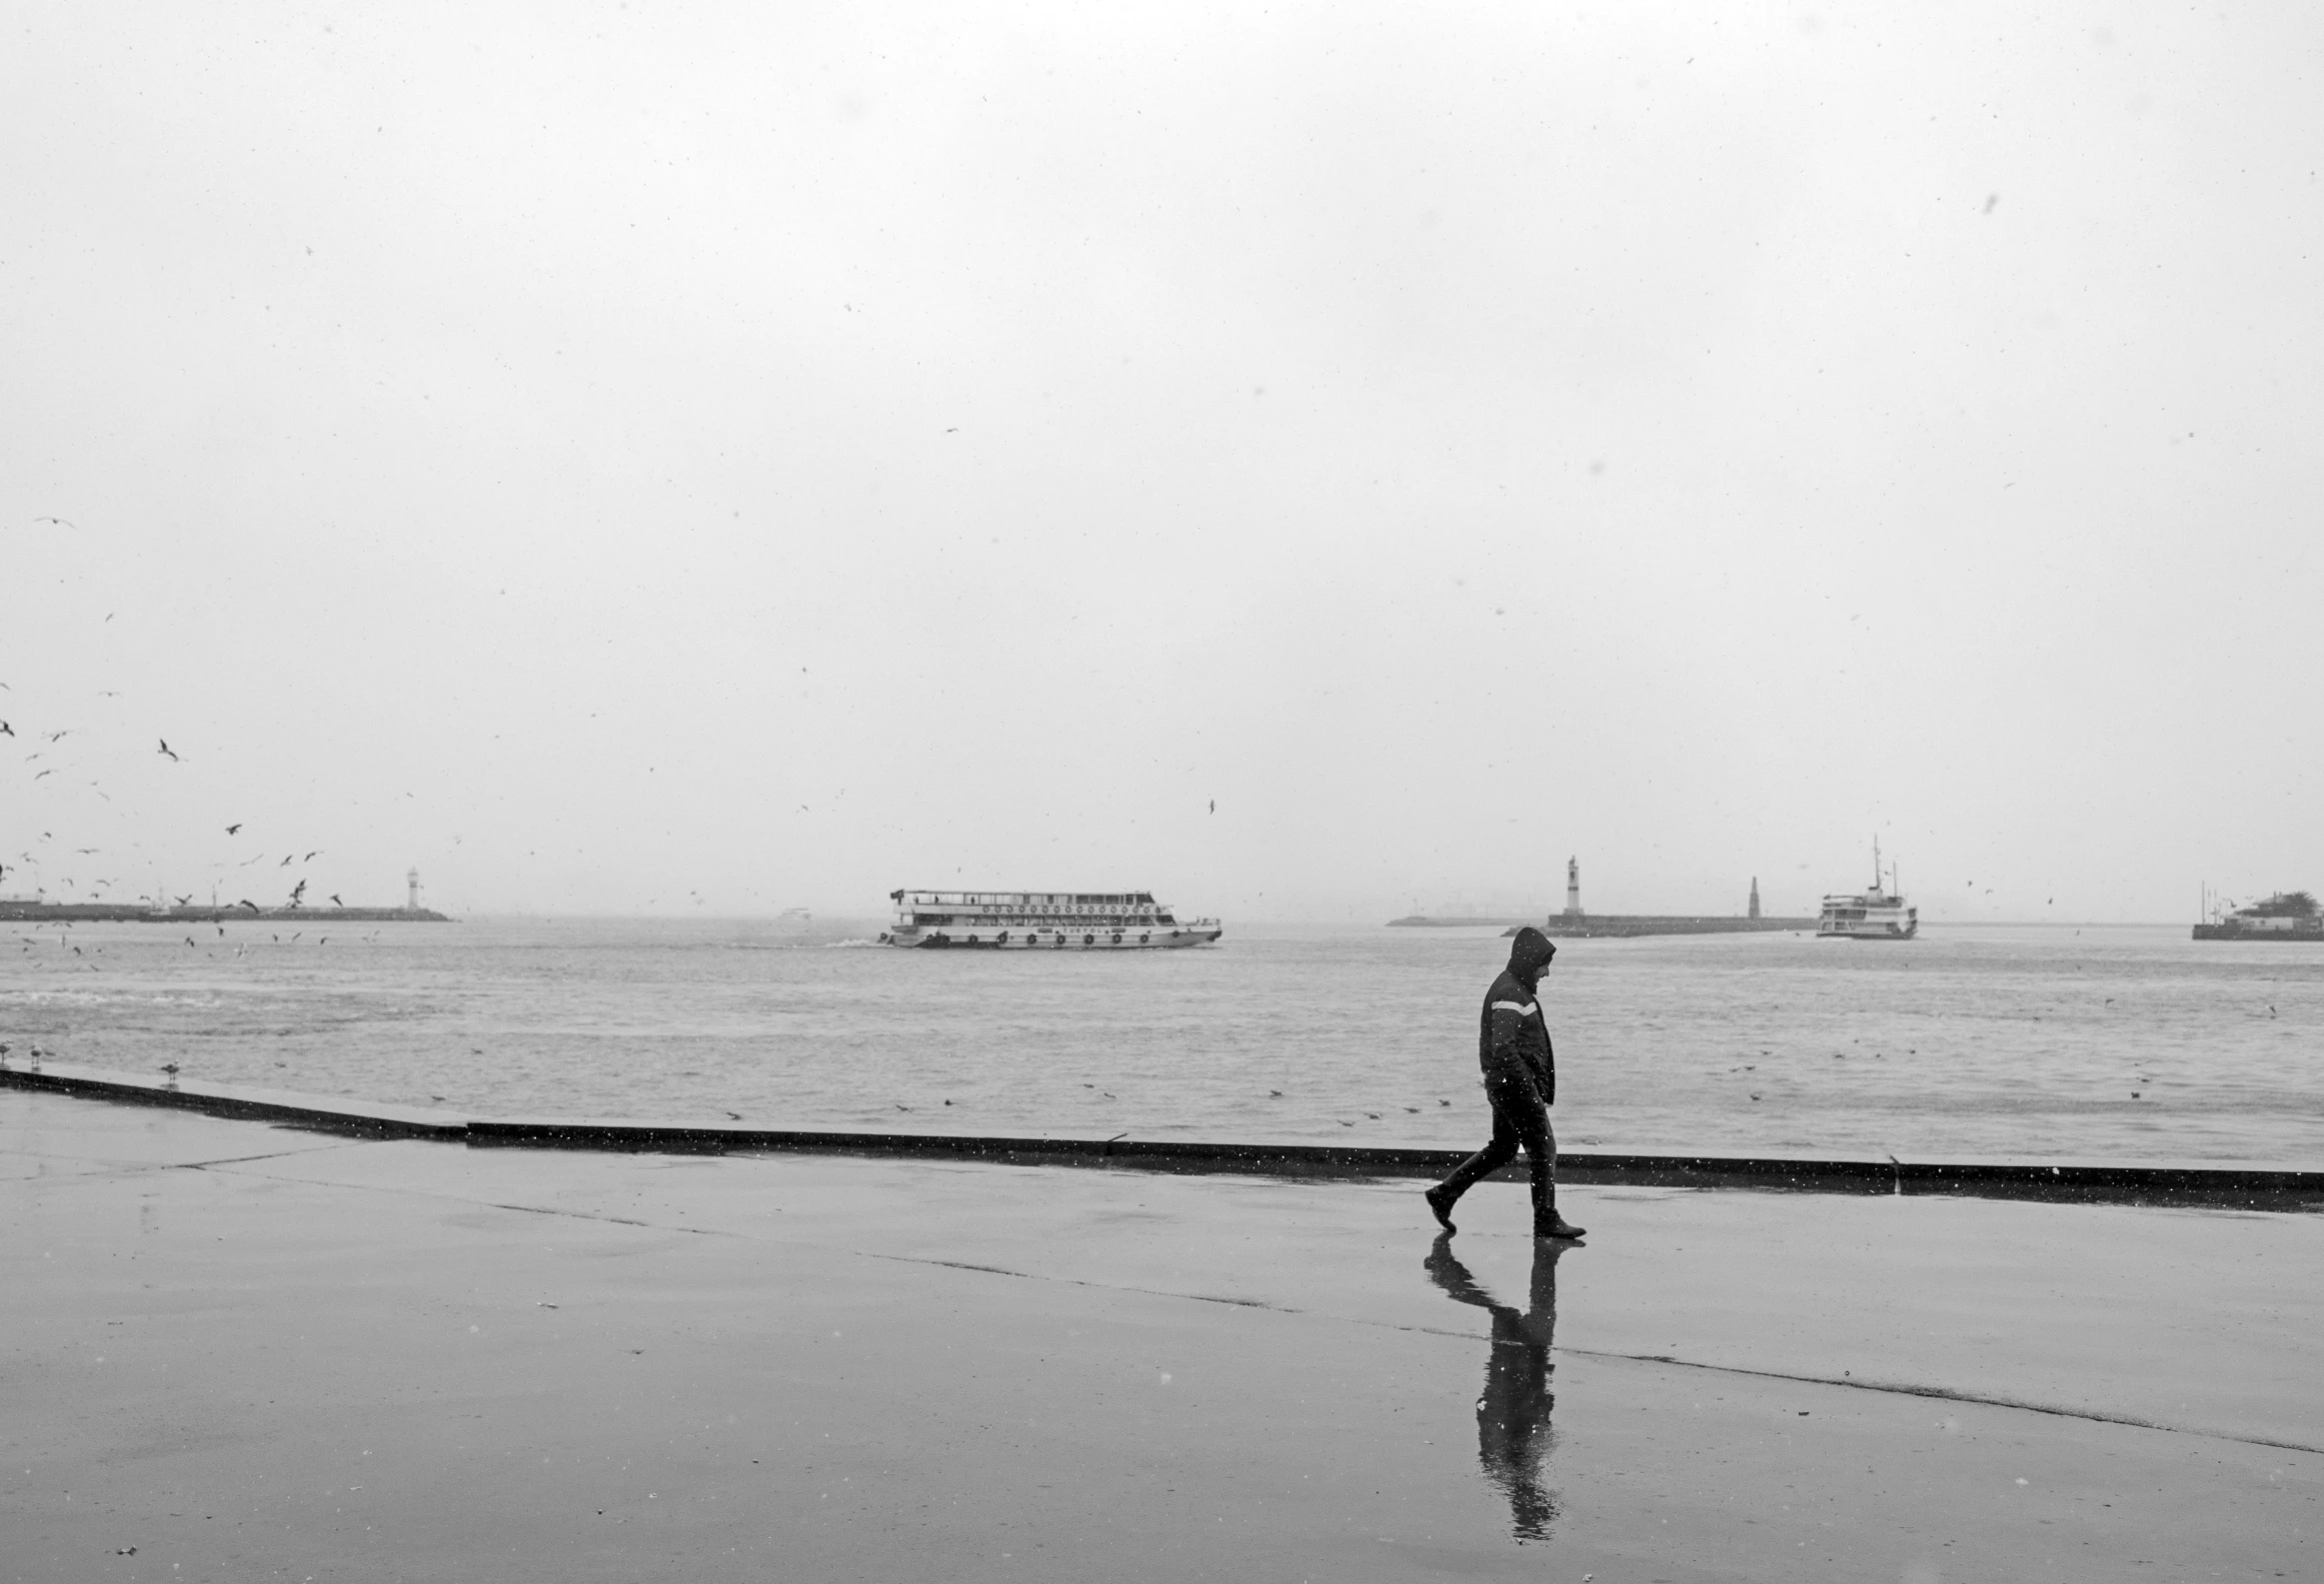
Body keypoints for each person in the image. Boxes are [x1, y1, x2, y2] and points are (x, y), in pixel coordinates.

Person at [1425, 925, 1585, 1238]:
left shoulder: (1514, 988)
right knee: (1543, 1149)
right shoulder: (1511, 993)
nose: (1547, 973)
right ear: (1530, 961)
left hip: (1504, 1084)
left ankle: (1445, 1194)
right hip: (1513, 1087)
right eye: (1544, 964)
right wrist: (1526, 1086)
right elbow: (1503, 1047)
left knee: (1503, 1148)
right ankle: (1546, 1219)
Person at [1424, 1232, 1570, 1541]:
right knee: (1520, 1312)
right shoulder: (1516, 1471)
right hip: (1522, 1377)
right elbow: (1511, 1421)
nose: (1544, 1496)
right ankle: (1449, 1276)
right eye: (1543, 1502)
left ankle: (1447, 1276)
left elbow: (1494, 1417)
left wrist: (1533, 1398)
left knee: (1510, 1313)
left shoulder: (1504, 1469)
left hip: (1515, 1377)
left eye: (1539, 1503)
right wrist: (1540, 1403)